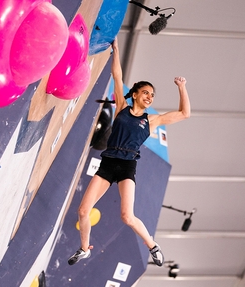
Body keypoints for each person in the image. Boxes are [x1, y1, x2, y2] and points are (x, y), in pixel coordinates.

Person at [68, 37, 191, 266]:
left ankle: (153, 246)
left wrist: (182, 87)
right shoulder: (122, 109)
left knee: (127, 216)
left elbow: (184, 113)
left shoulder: (151, 120)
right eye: (146, 92)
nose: (149, 97)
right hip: (107, 164)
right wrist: (116, 49)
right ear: (135, 94)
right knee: (83, 211)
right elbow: (118, 76)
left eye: (152, 95)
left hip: (126, 167)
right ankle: (84, 249)